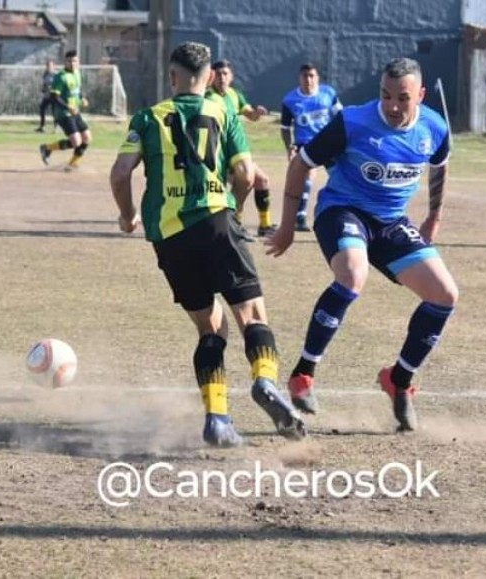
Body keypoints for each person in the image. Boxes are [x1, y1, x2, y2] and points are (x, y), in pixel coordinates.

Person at [110, 41, 306, 448]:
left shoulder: (149, 117)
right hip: (217, 220)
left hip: (169, 237)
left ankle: (217, 418)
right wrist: (233, 210)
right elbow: (246, 174)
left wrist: (128, 214)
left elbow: (120, 172)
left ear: (172, 77)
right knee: (251, 315)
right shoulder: (224, 111)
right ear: (208, 79)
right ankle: (265, 382)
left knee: (209, 327)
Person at [266, 57, 458, 432]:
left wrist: (434, 214)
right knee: (353, 275)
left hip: (390, 223)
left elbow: (440, 164)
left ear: (420, 95)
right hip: (342, 209)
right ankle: (303, 375)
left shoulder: (435, 127)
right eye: (386, 96)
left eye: (402, 98)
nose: (392, 105)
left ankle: (398, 380)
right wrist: (287, 227)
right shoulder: (352, 122)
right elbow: (301, 164)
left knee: (445, 294)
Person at [206, 59, 276, 238]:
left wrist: (257, 113)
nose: (222, 77)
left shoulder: (234, 94)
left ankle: (264, 225)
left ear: (231, 77)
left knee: (262, 181)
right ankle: (233, 221)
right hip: (221, 151)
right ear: (211, 76)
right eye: (218, 74)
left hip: (236, 149)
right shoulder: (207, 97)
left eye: (225, 74)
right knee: (246, 180)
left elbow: (250, 115)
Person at [280, 63, 342, 232]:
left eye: (311, 76)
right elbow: (285, 128)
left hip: (328, 141)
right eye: (304, 76)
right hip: (305, 143)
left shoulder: (328, 94)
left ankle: (342, 211)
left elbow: (340, 117)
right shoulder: (290, 100)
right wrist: (289, 147)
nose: (308, 79)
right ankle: (300, 216)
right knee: (307, 174)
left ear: (317, 78)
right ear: (299, 78)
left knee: (340, 176)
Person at [39, 50, 91, 172]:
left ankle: (71, 164)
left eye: (75, 61)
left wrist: (82, 98)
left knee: (87, 138)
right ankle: (47, 148)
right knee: (76, 141)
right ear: (65, 62)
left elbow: (77, 90)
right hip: (63, 114)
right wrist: (68, 107)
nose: (72, 63)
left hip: (75, 112)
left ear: (78, 62)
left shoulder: (77, 73)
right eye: (69, 61)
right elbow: (54, 97)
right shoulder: (60, 77)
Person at [35, 59, 55, 133]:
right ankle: (42, 126)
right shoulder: (45, 74)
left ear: (53, 66)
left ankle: (56, 127)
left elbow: (58, 85)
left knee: (55, 111)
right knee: (42, 108)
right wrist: (43, 89)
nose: (48, 67)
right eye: (47, 66)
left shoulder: (56, 75)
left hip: (54, 96)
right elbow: (44, 84)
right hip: (47, 96)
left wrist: (52, 88)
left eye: (50, 66)